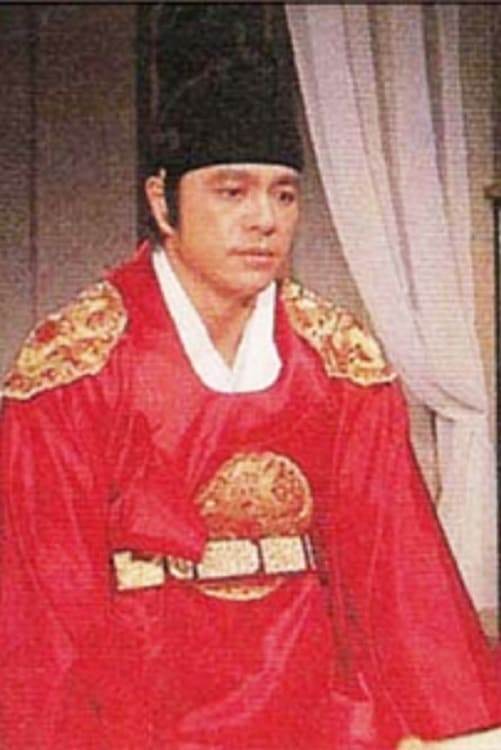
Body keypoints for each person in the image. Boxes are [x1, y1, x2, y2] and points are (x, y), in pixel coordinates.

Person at [1, 12, 500, 750]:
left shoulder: (340, 365)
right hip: (140, 715)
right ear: (162, 201)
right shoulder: (75, 371)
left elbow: (400, 575)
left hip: (318, 706)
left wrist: (461, 728)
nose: (264, 220)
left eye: (284, 194)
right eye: (231, 192)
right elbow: (44, 612)